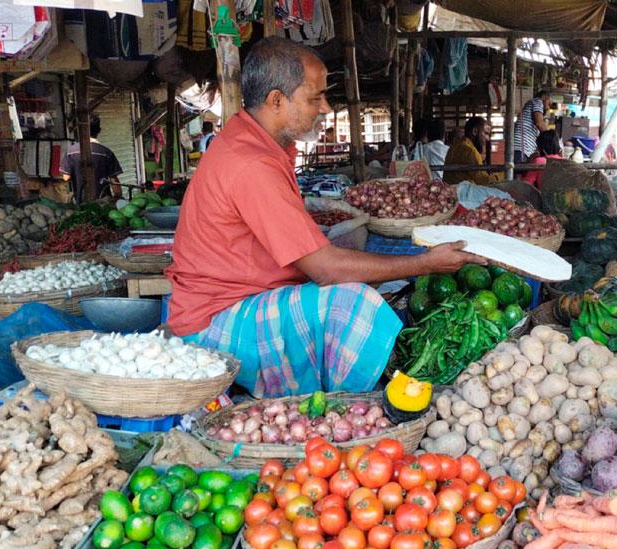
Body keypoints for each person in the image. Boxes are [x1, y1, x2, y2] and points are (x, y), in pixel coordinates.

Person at [165, 38, 483, 398]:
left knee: (362, 277)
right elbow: (327, 269)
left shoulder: (255, 143)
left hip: (237, 302)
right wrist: (425, 263)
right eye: (315, 97)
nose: (326, 108)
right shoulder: (251, 163)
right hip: (215, 324)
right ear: (276, 100)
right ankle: (339, 409)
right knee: (350, 302)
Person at [60, 114, 122, 202]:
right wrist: (117, 197)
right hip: (103, 202)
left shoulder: (71, 152)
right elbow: (114, 179)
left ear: (80, 131)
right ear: (99, 131)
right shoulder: (106, 152)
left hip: (80, 201)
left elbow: (66, 177)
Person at [443, 116, 500, 186]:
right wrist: (502, 175)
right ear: (475, 131)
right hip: (461, 194)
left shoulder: (455, 146)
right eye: (486, 133)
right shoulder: (470, 151)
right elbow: (484, 182)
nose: (488, 139)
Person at [513, 90, 551, 163]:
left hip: (523, 149)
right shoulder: (538, 101)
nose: (548, 107)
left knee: (520, 172)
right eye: (549, 103)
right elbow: (540, 124)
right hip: (521, 147)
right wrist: (551, 138)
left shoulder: (532, 105)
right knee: (518, 171)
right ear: (544, 97)